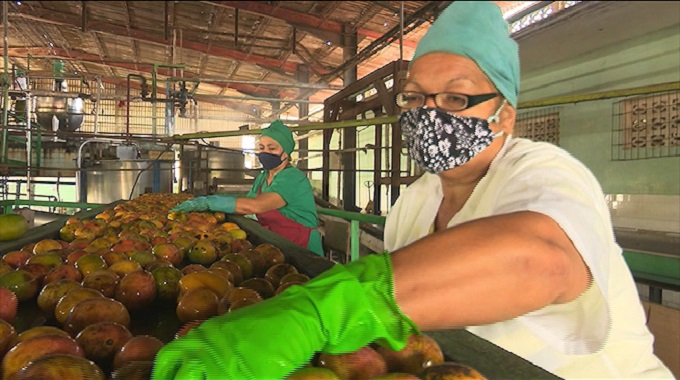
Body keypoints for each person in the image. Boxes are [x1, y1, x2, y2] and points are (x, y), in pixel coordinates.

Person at [153, 2, 674, 379]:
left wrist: (324, 310)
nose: (430, 113)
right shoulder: (417, 201)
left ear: (504, 115)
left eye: (456, 98)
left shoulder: (545, 171)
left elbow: (543, 260)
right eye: (415, 97)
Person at [171, 120, 324, 256]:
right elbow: (246, 206)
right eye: (262, 147)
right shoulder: (263, 177)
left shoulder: (293, 178)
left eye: (272, 148)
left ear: (286, 152)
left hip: (302, 248)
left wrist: (211, 202)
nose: (265, 152)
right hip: (278, 244)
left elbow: (256, 206)